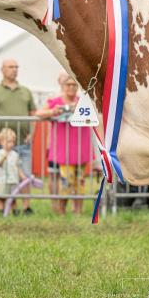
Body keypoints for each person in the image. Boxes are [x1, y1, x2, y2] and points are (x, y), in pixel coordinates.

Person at [0, 59, 42, 214]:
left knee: (25, 174)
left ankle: (26, 206)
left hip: (24, 142)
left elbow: (33, 114)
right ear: (2, 69)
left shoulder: (26, 91)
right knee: (2, 174)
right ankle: (3, 206)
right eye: (11, 67)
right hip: (3, 143)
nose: (14, 69)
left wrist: (32, 133)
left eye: (16, 67)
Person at [42, 74, 93, 215]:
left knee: (80, 180)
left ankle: (78, 211)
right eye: (68, 85)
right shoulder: (55, 101)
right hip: (63, 148)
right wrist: (53, 111)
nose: (71, 87)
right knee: (66, 181)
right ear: (63, 86)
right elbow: (39, 113)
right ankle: (61, 209)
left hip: (81, 146)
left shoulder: (83, 101)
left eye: (74, 85)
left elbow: (94, 115)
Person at [0, 127, 28, 215]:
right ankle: (1, 209)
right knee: (1, 197)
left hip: (13, 180)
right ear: (2, 142)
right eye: (9, 142)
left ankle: (14, 210)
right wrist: (3, 158)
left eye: (13, 142)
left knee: (13, 197)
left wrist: (22, 176)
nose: (11, 144)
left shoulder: (15, 154)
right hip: (2, 180)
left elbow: (17, 167)